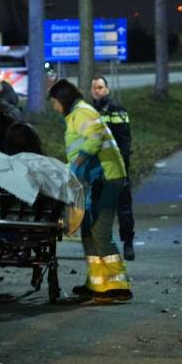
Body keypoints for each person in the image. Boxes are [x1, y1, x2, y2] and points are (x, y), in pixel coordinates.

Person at [47, 79, 132, 302]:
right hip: (96, 180)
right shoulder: (75, 116)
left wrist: (76, 165)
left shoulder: (83, 113)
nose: (54, 107)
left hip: (107, 177)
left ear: (63, 100)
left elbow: (94, 139)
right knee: (88, 232)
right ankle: (97, 282)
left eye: (55, 102)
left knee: (99, 231)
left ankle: (118, 285)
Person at [90, 76, 135, 260]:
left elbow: (124, 139)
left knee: (123, 207)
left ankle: (128, 243)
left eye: (100, 87)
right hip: (97, 168)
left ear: (107, 89)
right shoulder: (91, 112)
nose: (97, 91)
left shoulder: (116, 109)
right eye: (95, 88)